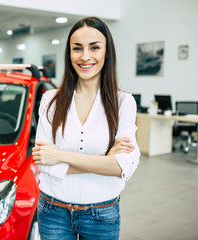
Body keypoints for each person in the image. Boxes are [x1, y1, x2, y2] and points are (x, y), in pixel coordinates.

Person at [32, 16, 141, 240]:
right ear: (69, 53)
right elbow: (45, 163)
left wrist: (60, 156)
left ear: (106, 52)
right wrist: (104, 160)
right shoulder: (51, 100)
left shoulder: (124, 103)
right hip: (53, 211)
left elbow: (123, 166)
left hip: (101, 214)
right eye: (77, 48)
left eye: (94, 47)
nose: (85, 56)